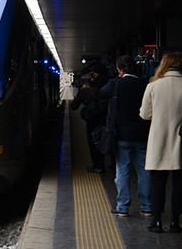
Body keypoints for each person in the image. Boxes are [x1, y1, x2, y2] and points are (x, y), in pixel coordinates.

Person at [100, 55, 150, 217]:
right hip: (142, 134)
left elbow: (101, 93)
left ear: (119, 69)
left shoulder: (115, 84)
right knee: (144, 171)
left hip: (121, 135)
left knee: (122, 171)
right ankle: (147, 206)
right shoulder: (144, 84)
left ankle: (122, 207)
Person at [139, 52, 182, 233]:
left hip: (159, 140)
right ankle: (174, 222)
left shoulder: (153, 86)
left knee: (158, 183)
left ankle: (157, 221)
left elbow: (144, 114)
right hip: (180, 141)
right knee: (179, 185)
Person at [70, 64, 108, 173]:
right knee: (106, 139)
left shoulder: (86, 90)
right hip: (106, 118)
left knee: (93, 142)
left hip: (92, 119)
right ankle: (109, 164)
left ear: (95, 75)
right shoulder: (108, 86)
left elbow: (73, 106)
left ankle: (97, 166)